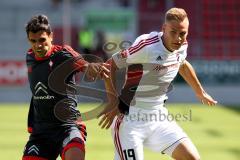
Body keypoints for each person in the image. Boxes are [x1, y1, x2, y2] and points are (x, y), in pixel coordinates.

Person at [99, 8, 217, 160]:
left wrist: (199, 91)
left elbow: (182, 64)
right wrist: (113, 101)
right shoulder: (147, 46)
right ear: (164, 28)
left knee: (192, 158)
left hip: (159, 118)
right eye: (173, 32)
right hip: (130, 122)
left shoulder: (182, 46)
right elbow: (110, 65)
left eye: (183, 33)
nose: (178, 38)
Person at [22, 14, 109, 160]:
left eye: (42, 40)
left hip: (68, 127)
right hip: (41, 133)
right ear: (28, 40)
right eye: (33, 41)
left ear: (51, 36)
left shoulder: (63, 54)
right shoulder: (29, 57)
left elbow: (84, 65)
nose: (38, 45)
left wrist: (92, 67)